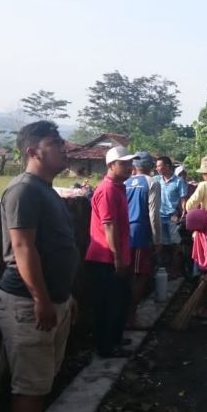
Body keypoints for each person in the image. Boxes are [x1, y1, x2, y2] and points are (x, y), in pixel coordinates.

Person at [0, 120, 78, 412]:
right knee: (29, 387)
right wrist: (42, 299)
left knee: (41, 383)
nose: (63, 148)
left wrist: (62, 297)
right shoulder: (23, 190)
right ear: (32, 152)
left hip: (51, 301)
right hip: (28, 303)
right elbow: (23, 248)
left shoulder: (45, 190)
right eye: (53, 143)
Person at [85, 145, 136, 359]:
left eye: (129, 163)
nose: (128, 167)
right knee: (108, 304)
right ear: (111, 165)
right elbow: (109, 226)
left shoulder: (118, 188)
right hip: (105, 257)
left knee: (119, 301)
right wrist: (117, 257)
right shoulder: (107, 190)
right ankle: (106, 347)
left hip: (115, 256)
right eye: (123, 164)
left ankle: (114, 339)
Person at [125, 151, 161, 327]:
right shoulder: (151, 182)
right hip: (140, 231)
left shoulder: (124, 183)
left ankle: (125, 313)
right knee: (140, 275)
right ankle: (131, 315)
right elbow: (154, 213)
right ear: (151, 166)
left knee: (126, 274)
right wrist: (157, 239)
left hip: (124, 232)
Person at [156, 156, 188, 278]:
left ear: (167, 166)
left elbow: (183, 199)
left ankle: (175, 271)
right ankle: (162, 271)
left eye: (159, 165)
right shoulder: (157, 180)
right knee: (162, 245)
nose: (157, 168)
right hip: (159, 216)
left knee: (175, 244)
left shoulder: (178, 181)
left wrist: (183, 211)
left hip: (172, 216)